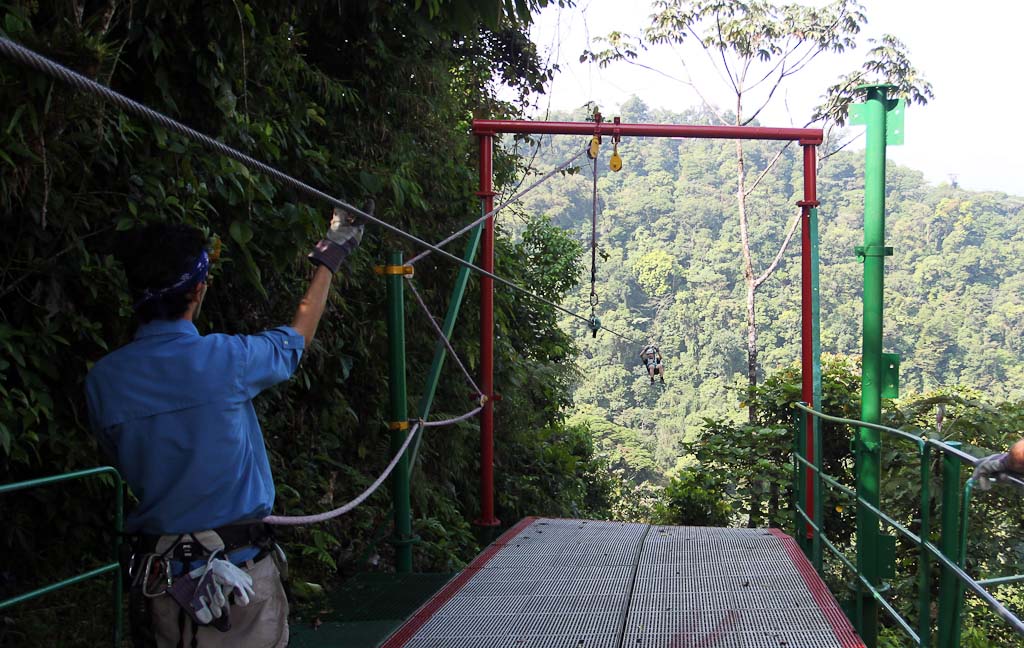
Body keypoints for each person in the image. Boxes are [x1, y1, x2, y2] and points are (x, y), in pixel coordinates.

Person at [85, 205, 365, 648]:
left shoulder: (104, 381)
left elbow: (116, 455)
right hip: (237, 580)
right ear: (198, 291)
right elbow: (296, 339)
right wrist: (330, 256)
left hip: (159, 580)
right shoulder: (225, 361)